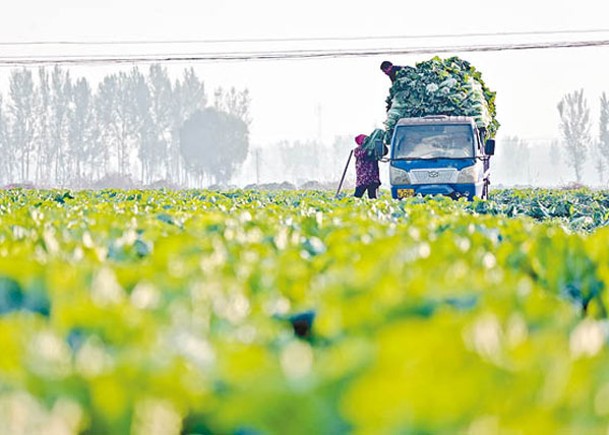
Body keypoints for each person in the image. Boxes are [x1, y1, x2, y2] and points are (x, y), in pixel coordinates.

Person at [353, 134, 381, 199]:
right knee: (357, 196)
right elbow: (364, 154)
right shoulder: (358, 150)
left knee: (372, 197)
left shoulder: (373, 149)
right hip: (363, 178)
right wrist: (371, 149)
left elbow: (383, 152)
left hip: (372, 178)